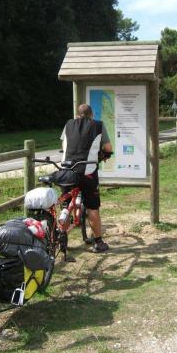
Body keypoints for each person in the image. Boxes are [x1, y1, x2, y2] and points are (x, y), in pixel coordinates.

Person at [60, 103, 112, 252]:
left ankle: (61, 237)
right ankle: (98, 242)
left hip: (67, 171)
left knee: (65, 205)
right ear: (92, 115)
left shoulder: (68, 124)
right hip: (87, 172)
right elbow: (108, 149)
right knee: (92, 207)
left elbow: (65, 144)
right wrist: (104, 155)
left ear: (78, 114)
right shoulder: (98, 125)